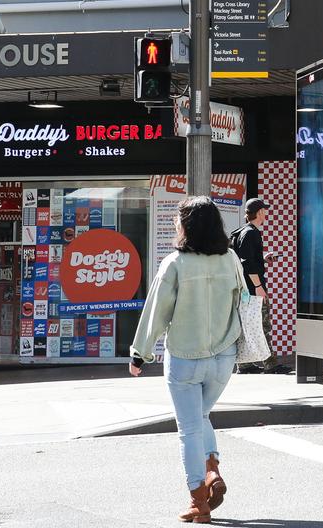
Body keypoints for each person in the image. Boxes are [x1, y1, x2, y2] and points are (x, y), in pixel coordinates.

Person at [129, 196, 245, 524]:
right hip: (224, 356)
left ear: (188, 226)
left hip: (185, 358)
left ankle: (199, 500)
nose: (174, 225)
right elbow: (242, 299)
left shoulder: (175, 264)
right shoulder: (231, 259)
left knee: (190, 428)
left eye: (179, 219)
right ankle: (212, 472)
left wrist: (140, 354)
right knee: (202, 415)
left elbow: (156, 312)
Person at [230, 198, 288, 374]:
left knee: (246, 324)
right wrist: (258, 287)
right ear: (260, 212)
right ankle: (270, 364)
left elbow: (242, 260)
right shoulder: (251, 233)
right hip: (252, 288)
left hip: (242, 289)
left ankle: (244, 364)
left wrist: (263, 259)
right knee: (262, 324)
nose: (266, 213)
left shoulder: (240, 232)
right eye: (264, 210)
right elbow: (247, 264)